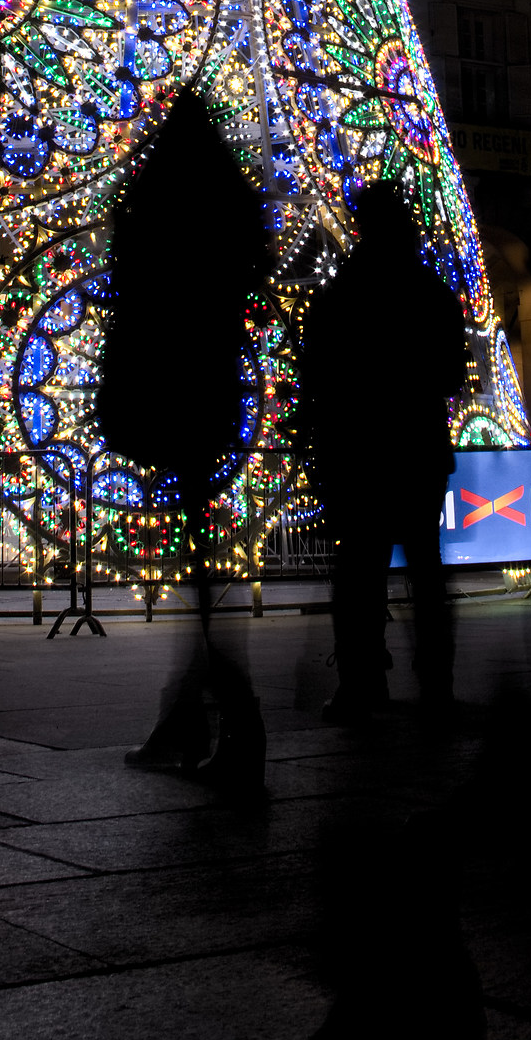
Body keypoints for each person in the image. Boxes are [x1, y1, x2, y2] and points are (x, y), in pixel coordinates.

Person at [99, 89, 272, 795]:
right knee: (200, 563)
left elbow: (125, 285)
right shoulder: (231, 204)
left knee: (199, 574)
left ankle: (232, 722)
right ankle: (189, 718)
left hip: (164, 386)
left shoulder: (151, 201)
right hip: (212, 389)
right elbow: (250, 279)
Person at [300, 180, 468, 723]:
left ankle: (362, 680)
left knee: (359, 568)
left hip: (360, 448)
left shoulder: (343, 291)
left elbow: (319, 373)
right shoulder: (431, 291)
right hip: (417, 444)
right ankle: (436, 678)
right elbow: (450, 375)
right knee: (426, 564)